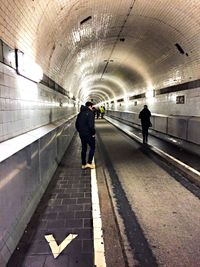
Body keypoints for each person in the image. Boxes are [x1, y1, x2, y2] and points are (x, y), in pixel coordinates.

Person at [75, 102, 96, 169]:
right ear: (90, 106)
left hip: (82, 134)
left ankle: (83, 164)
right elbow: (91, 125)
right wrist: (93, 133)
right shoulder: (90, 113)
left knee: (84, 148)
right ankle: (89, 163)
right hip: (89, 134)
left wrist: (80, 131)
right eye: (92, 107)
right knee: (92, 147)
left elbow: (76, 124)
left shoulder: (80, 113)